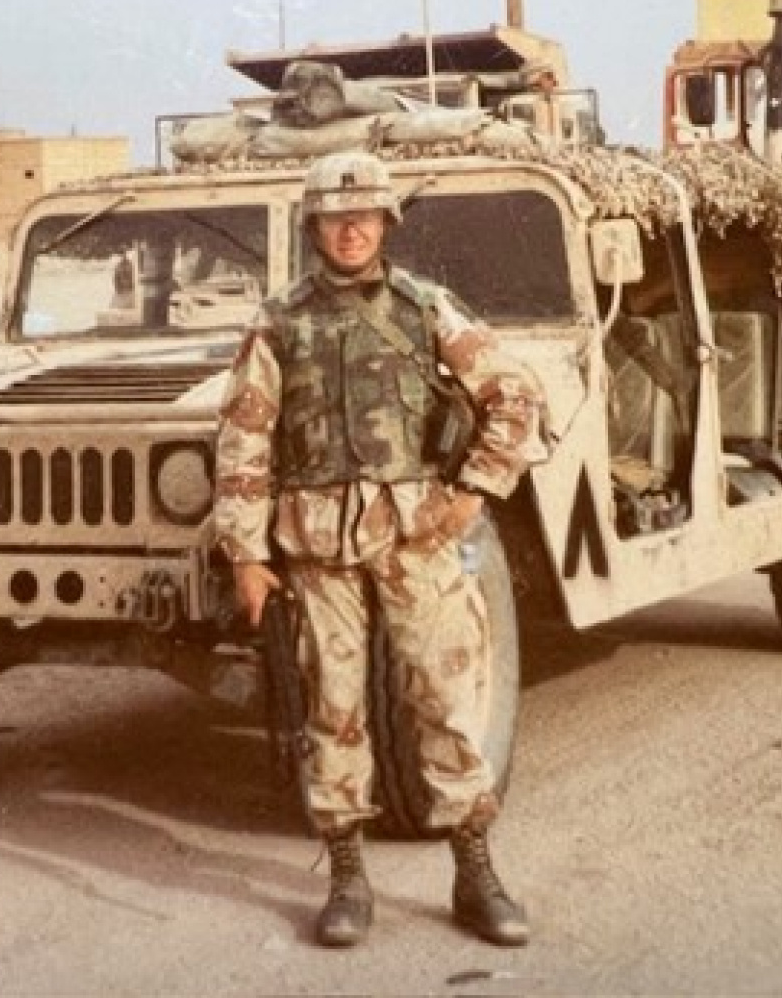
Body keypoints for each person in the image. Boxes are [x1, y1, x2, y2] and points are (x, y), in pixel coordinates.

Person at [212, 151, 551, 948]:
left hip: (418, 537)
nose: (352, 228)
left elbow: (515, 392)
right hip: (317, 546)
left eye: (365, 214)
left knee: (446, 695)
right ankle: (346, 879)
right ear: (314, 228)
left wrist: (474, 490)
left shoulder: (424, 308)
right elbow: (244, 437)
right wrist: (246, 554)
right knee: (332, 705)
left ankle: (475, 872)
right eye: (336, 216)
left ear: (387, 223)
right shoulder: (277, 321)